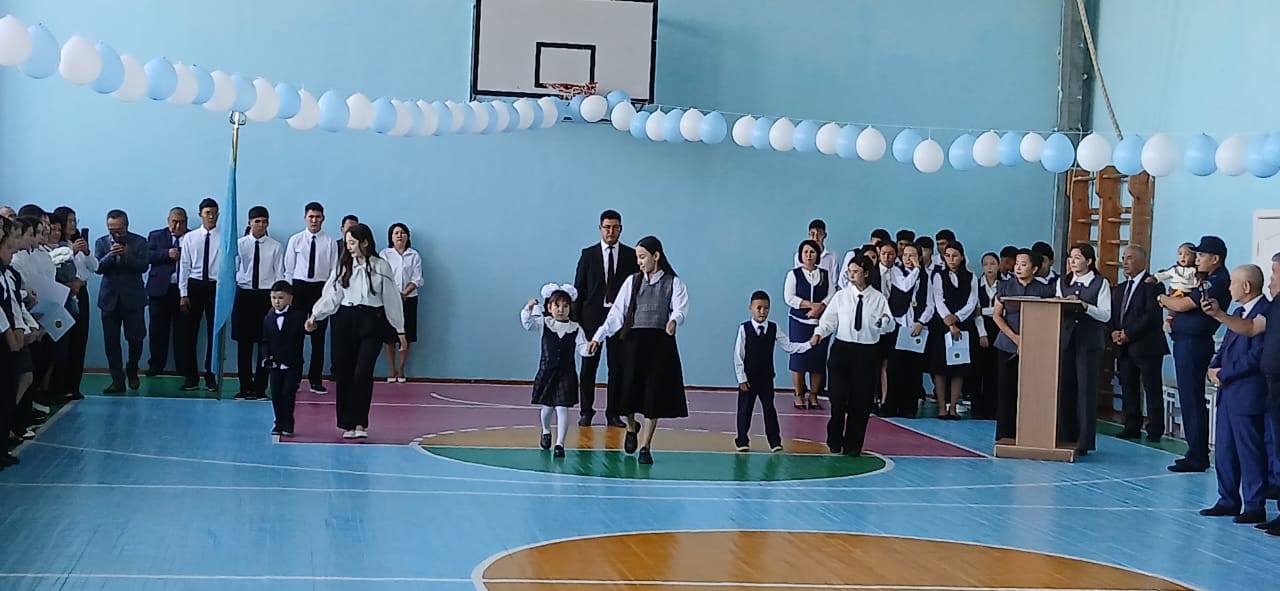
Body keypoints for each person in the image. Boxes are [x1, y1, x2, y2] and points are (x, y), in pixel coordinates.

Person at [587, 236, 688, 465]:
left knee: (654, 395)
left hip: (660, 345)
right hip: (633, 344)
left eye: (643, 257)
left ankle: (645, 446)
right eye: (637, 258)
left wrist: (674, 321)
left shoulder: (674, 283)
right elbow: (616, 314)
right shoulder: (632, 282)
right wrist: (598, 337)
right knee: (627, 393)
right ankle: (631, 428)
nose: (639, 262)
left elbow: (680, 308)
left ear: (656, 256)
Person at [1202, 252, 1280, 535]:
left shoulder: (1267, 311)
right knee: (1224, 449)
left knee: (1250, 452)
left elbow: (1257, 355)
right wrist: (1213, 367)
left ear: (1245, 286)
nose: (1228, 288)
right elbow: (1225, 346)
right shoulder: (1237, 314)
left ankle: (1254, 504)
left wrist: (1225, 374)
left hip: (1248, 392)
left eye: (1232, 283)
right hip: (1228, 393)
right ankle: (1227, 499)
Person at [305, 223, 406, 439]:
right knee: (345, 372)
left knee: (363, 372)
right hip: (345, 320)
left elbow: (391, 298)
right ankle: (347, 423)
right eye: (347, 243)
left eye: (352, 242)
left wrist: (400, 329)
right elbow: (332, 295)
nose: (348, 247)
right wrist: (315, 315)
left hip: (371, 321)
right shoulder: (343, 266)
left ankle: (360, 422)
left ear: (365, 242)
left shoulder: (381, 266)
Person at [810, 254, 894, 456]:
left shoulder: (878, 298)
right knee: (838, 398)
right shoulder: (841, 296)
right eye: (849, 271)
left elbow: (889, 324)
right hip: (842, 350)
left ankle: (853, 445)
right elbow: (829, 320)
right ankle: (834, 439)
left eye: (856, 271)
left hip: (866, 352)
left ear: (866, 273)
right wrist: (819, 333)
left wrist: (883, 321)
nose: (851, 275)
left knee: (861, 402)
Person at [1161, 235, 1231, 472]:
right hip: (1186, 342)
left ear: (1215, 258)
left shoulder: (1217, 281)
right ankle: (1195, 451)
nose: (1197, 259)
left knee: (1192, 398)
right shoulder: (1206, 278)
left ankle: (1198, 455)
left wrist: (1162, 298)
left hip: (1194, 344)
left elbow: (1182, 304)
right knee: (1189, 398)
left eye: (1201, 255)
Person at [572, 210, 638, 428]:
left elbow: (635, 290)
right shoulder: (588, 255)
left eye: (615, 227)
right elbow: (579, 289)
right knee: (588, 367)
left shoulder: (630, 255)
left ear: (621, 229)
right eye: (607, 227)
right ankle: (586, 412)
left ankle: (613, 414)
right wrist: (577, 321)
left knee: (617, 368)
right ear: (600, 228)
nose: (611, 231)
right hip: (591, 319)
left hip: (620, 320)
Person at [521, 283, 594, 458]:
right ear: (549, 307)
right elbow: (528, 324)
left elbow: (582, 348)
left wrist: (590, 349)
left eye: (565, 306)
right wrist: (528, 308)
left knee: (562, 408)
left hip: (567, 374)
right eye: (557, 305)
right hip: (547, 372)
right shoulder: (544, 323)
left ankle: (560, 444)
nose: (561, 310)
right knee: (547, 408)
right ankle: (546, 430)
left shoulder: (575, 328)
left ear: (570, 308)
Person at [733, 290, 810, 452]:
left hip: (766, 378)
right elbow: (738, 354)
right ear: (750, 308)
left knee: (769, 409)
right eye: (759, 308)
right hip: (748, 379)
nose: (762, 311)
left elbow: (789, 346)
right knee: (745, 410)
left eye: (766, 308)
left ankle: (774, 441)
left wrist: (809, 344)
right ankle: (742, 440)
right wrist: (741, 378)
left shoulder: (774, 328)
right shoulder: (744, 328)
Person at [1055, 243, 1112, 455]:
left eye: (1077, 257)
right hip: (1066, 341)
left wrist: (1085, 306)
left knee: (1086, 390)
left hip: (1089, 342)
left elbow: (1105, 315)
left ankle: (1084, 440)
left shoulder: (1100, 283)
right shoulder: (1063, 282)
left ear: (1089, 261)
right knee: (1065, 388)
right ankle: (1064, 436)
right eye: (1070, 257)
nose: (1072, 261)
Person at [992, 248, 1054, 441]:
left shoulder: (1044, 289)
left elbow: (1049, 317)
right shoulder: (1005, 286)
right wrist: (1015, 337)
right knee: (1006, 390)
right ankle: (1004, 435)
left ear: (1034, 269)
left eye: (1023, 264)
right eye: (1017, 264)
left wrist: (1032, 339)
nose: (1018, 267)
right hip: (1007, 344)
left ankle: (1031, 434)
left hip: (1035, 346)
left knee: (1031, 391)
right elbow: (997, 315)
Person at [1111, 245, 1168, 441]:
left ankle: (1155, 429)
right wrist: (1114, 332)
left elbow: (1151, 316)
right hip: (1124, 347)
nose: (1124, 262)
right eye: (1123, 258)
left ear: (1142, 261)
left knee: (1152, 389)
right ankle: (1131, 425)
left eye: (1129, 258)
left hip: (1147, 346)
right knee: (1128, 387)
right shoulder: (1121, 288)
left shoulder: (1153, 285)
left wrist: (1128, 333)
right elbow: (1115, 315)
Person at [285, 202, 340, 394]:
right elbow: (288, 269)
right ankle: (294, 379)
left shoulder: (330, 242)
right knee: (296, 336)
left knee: (318, 337)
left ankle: (315, 380)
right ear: (305, 218)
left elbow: (334, 270)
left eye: (318, 217)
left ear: (323, 219)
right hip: (299, 288)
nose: (314, 220)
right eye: (311, 217)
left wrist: (329, 294)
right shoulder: (295, 240)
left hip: (320, 289)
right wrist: (290, 294)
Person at [232, 206, 284, 400]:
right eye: (257, 221)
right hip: (244, 295)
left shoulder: (275, 247)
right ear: (249, 223)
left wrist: (276, 301)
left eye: (264, 222)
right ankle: (244, 387)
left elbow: (280, 274)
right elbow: (233, 271)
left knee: (265, 345)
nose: (261, 225)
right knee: (244, 345)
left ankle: (260, 388)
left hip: (265, 297)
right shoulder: (239, 245)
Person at [94, 210, 149, 393]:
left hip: (133, 298)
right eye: (111, 230)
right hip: (109, 299)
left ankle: (132, 368)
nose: (116, 234)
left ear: (126, 225)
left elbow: (143, 266)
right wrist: (111, 255)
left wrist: (126, 254)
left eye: (119, 230)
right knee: (111, 342)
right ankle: (117, 380)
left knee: (136, 338)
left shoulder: (139, 242)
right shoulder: (101, 242)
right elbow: (98, 268)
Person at [928, 241, 981, 420]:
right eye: (948, 255)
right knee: (940, 367)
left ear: (962, 257)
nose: (951, 259)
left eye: (955, 255)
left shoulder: (971, 277)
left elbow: (972, 302)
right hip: (942, 325)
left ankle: (953, 407)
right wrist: (949, 321)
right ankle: (942, 407)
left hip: (963, 324)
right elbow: (938, 299)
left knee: (959, 367)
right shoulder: (938, 275)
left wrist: (957, 317)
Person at [884, 242, 933, 418]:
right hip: (898, 325)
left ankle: (909, 408)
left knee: (913, 369)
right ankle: (891, 405)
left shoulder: (927, 277)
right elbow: (905, 286)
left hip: (917, 327)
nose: (908, 258)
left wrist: (921, 322)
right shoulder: (896, 272)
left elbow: (930, 304)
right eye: (905, 255)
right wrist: (917, 270)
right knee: (894, 368)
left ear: (919, 257)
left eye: (912, 255)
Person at [178, 198, 222, 392]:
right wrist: (183, 293)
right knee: (189, 334)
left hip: (216, 287)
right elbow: (184, 266)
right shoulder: (190, 237)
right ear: (200, 215)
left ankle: (211, 375)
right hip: (194, 286)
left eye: (214, 213)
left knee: (214, 333)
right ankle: (191, 377)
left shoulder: (225, 237)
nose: (211, 216)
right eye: (207, 213)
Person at [785, 240, 833, 409]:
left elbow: (831, 294)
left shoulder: (825, 274)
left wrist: (821, 307)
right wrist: (810, 305)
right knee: (799, 358)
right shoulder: (794, 274)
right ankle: (799, 394)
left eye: (812, 252)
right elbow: (789, 297)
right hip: (799, 322)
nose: (809, 255)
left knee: (817, 360)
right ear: (800, 255)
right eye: (805, 252)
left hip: (820, 323)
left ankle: (813, 394)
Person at [53, 206, 95, 401]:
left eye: (74, 221)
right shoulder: (57, 246)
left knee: (80, 339)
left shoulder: (78, 243)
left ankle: (74, 386)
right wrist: (72, 250)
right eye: (69, 221)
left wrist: (86, 251)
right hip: (64, 293)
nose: (73, 224)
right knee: (65, 342)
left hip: (82, 291)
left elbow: (95, 266)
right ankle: (60, 386)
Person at [145, 207, 189, 377]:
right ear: (168, 221)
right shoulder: (156, 235)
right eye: (174, 222)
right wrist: (166, 254)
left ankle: (183, 367)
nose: (177, 226)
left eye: (181, 222)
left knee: (183, 331)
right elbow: (147, 256)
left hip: (183, 291)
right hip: (159, 290)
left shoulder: (192, 237)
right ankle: (156, 365)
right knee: (157, 330)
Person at [261, 281, 306, 437]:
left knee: (288, 394)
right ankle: (278, 422)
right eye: (274, 298)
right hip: (275, 365)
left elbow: (305, 333)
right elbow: (265, 341)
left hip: (292, 364)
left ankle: (288, 423)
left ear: (290, 298)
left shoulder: (299, 317)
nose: (277, 301)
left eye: (280, 298)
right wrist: (266, 356)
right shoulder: (268, 318)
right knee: (276, 394)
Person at [380, 223, 423, 383]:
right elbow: (382, 277)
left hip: (409, 298)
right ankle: (391, 369)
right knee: (389, 336)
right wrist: (394, 294)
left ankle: (402, 368)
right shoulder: (384, 254)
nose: (400, 235)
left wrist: (404, 293)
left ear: (407, 236)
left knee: (407, 334)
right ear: (391, 237)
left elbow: (417, 278)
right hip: (389, 299)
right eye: (396, 233)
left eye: (403, 233)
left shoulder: (414, 255)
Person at [970, 252, 1001, 420]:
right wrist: (982, 334)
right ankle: (977, 409)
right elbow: (976, 311)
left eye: (993, 263)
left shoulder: (1004, 285)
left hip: (999, 328)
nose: (989, 267)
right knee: (977, 370)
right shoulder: (976, 283)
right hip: (980, 329)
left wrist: (986, 310)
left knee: (994, 371)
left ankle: (992, 408)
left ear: (998, 265)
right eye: (986, 264)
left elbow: (1003, 310)